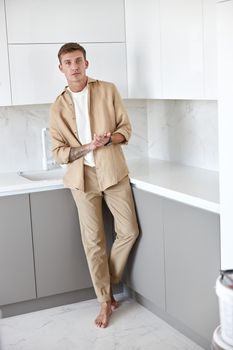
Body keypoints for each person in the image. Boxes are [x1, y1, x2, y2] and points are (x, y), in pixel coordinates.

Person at [49, 42, 139, 328]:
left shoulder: (108, 90)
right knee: (94, 243)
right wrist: (88, 146)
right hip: (82, 179)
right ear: (61, 68)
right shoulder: (58, 106)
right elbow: (60, 152)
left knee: (129, 231)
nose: (74, 67)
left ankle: (108, 282)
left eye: (78, 61)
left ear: (87, 63)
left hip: (113, 172)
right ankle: (105, 302)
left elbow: (126, 129)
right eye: (68, 63)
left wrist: (108, 139)